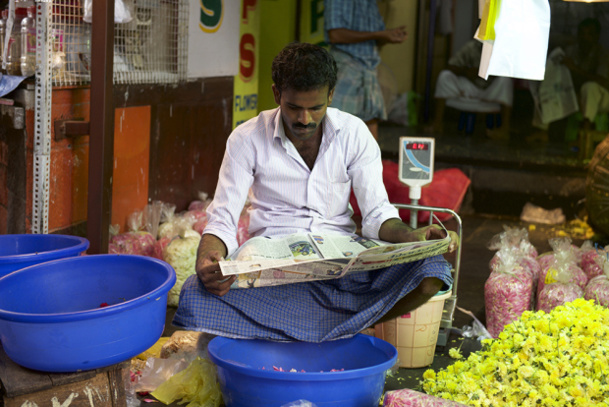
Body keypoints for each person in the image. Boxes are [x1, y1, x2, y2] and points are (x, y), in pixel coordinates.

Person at [173, 42, 456, 343]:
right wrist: (209, 257)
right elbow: (223, 221)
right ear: (276, 94)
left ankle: (332, 326)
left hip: (343, 273)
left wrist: (413, 237)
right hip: (275, 278)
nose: (304, 119)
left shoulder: (354, 133)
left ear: (331, 95)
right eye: (294, 107)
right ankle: (341, 327)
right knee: (195, 291)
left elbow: (377, 216)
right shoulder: (246, 138)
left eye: (315, 107)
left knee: (431, 270)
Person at [324, 0, 407, 140]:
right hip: (346, 67)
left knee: (370, 126)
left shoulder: (371, 3)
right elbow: (336, 35)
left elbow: (376, 36)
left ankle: (367, 161)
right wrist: (379, 35)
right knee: (337, 128)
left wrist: (388, 35)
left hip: (369, 69)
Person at [528, 18, 609, 145]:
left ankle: (584, 134)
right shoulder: (572, 50)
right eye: (582, 34)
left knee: (590, 87)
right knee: (550, 84)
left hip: (602, 98)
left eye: (589, 34)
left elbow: (602, 80)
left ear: (597, 36)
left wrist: (575, 69)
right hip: (577, 94)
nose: (585, 37)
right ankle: (543, 130)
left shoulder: (603, 54)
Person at [425, 40, 514, 140]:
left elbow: (510, 71)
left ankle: (504, 130)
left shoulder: (502, 50)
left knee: (506, 81)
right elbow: (451, 65)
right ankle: (437, 123)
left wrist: (486, 72)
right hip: (469, 87)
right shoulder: (471, 47)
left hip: (490, 90)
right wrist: (466, 71)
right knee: (445, 76)